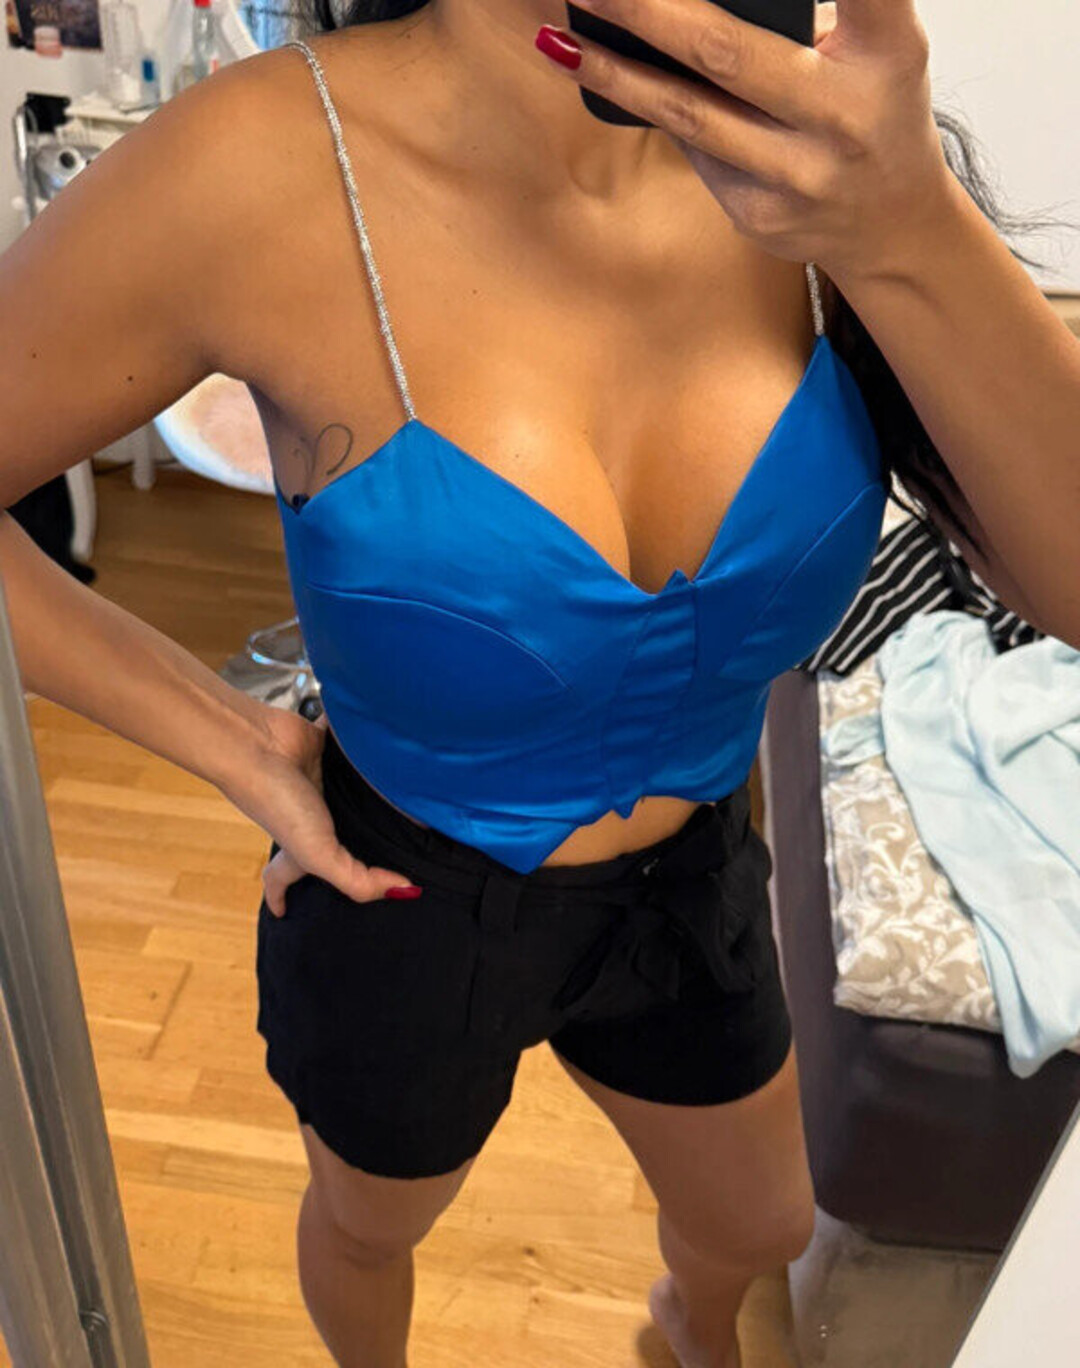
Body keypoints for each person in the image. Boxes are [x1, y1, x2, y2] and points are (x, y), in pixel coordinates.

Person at [2, 2, 1077, 1365]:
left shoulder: (815, 142)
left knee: (761, 1218)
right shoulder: (252, 167)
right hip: (405, 895)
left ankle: (688, 1331)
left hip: (688, 876)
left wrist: (912, 224)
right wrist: (227, 735)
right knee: (371, 1226)